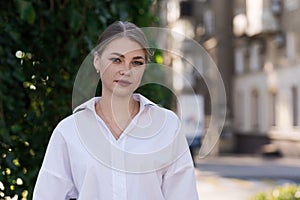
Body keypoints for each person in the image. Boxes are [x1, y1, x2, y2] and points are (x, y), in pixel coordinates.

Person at [33, 21, 199, 200]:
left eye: (136, 62)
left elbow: (184, 195)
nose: (126, 70)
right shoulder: (69, 131)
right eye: (116, 60)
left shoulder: (167, 126)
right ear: (97, 61)